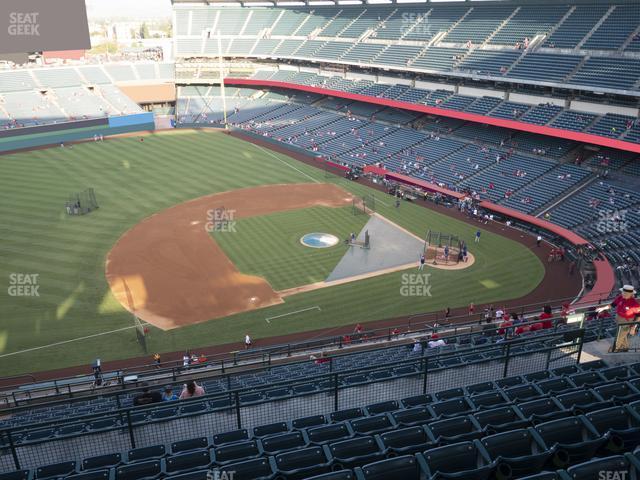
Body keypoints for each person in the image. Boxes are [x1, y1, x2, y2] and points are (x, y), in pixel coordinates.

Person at [599, 285, 640, 352]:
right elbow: (612, 305)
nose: (622, 294)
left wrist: (633, 328)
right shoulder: (620, 297)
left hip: (627, 322)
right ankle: (625, 347)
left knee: (619, 336)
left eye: (624, 293)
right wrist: (603, 308)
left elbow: (639, 316)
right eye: (622, 292)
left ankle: (615, 349)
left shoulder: (634, 303)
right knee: (622, 334)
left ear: (630, 294)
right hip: (618, 319)